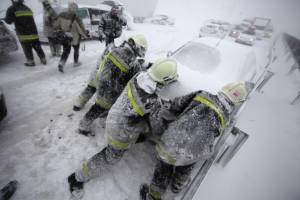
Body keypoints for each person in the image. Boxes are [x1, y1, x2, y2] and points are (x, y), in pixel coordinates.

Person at [67, 58, 179, 199]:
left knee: (140, 133)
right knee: (111, 156)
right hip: (121, 131)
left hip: (115, 116)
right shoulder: (151, 100)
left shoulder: (139, 76)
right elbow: (157, 127)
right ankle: (77, 178)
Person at [139, 82, 253, 200]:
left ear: (223, 89)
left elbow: (177, 105)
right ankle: (177, 186)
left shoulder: (202, 95)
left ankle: (153, 196)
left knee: (163, 169)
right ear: (238, 102)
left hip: (171, 143)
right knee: (184, 169)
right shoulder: (226, 119)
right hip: (192, 153)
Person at [76, 34, 148, 136]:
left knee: (98, 106)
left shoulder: (116, 51)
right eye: (141, 51)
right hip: (112, 91)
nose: (140, 54)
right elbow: (136, 78)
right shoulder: (133, 62)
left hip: (102, 83)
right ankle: (83, 126)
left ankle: (87, 120)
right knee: (98, 108)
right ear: (137, 47)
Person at [5, 0, 46, 67]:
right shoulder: (27, 8)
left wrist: (6, 19)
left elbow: (8, 21)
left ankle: (30, 61)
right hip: (33, 32)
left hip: (23, 33)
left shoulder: (12, 8)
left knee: (27, 48)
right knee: (37, 46)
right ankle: (43, 59)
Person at [52, 1, 88, 73]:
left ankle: (61, 63)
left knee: (66, 51)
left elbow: (55, 25)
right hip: (75, 37)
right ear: (76, 9)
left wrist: (60, 31)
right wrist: (85, 35)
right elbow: (81, 27)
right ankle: (75, 62)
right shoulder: (76, 17)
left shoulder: (61, 15)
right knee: (76, 49)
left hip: (66, 36)